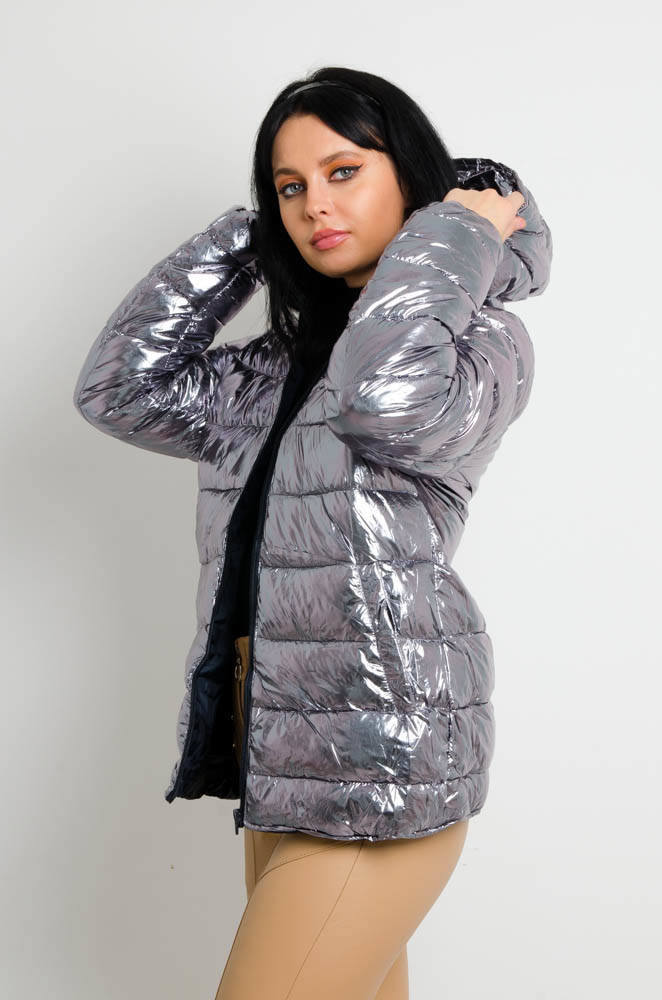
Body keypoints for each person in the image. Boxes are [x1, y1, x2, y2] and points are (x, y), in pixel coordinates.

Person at [73, 66, 552, 1000]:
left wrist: (454, 228)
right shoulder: (268, 369)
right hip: (279, 749)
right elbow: (119, 389)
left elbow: (384, 399)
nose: (313, 205)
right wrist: (248, 240)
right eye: (289, 187)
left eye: (343, 172)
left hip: (384, 753)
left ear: (412, 178)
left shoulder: (483, 343)